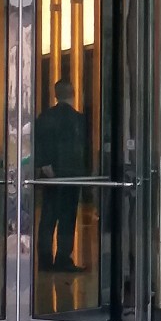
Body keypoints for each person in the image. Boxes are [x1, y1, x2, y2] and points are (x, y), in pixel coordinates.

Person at [35, 78, 91, 272]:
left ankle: (44, 260)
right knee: (67, 218)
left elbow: (38, 143)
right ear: (73, 93)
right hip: (72, 173)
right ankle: (63, 259)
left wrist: (44, 164)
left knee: (48, 218)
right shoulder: (79, 119)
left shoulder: (45, 117)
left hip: (51, 174)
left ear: (55, 94)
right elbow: (84, 148)